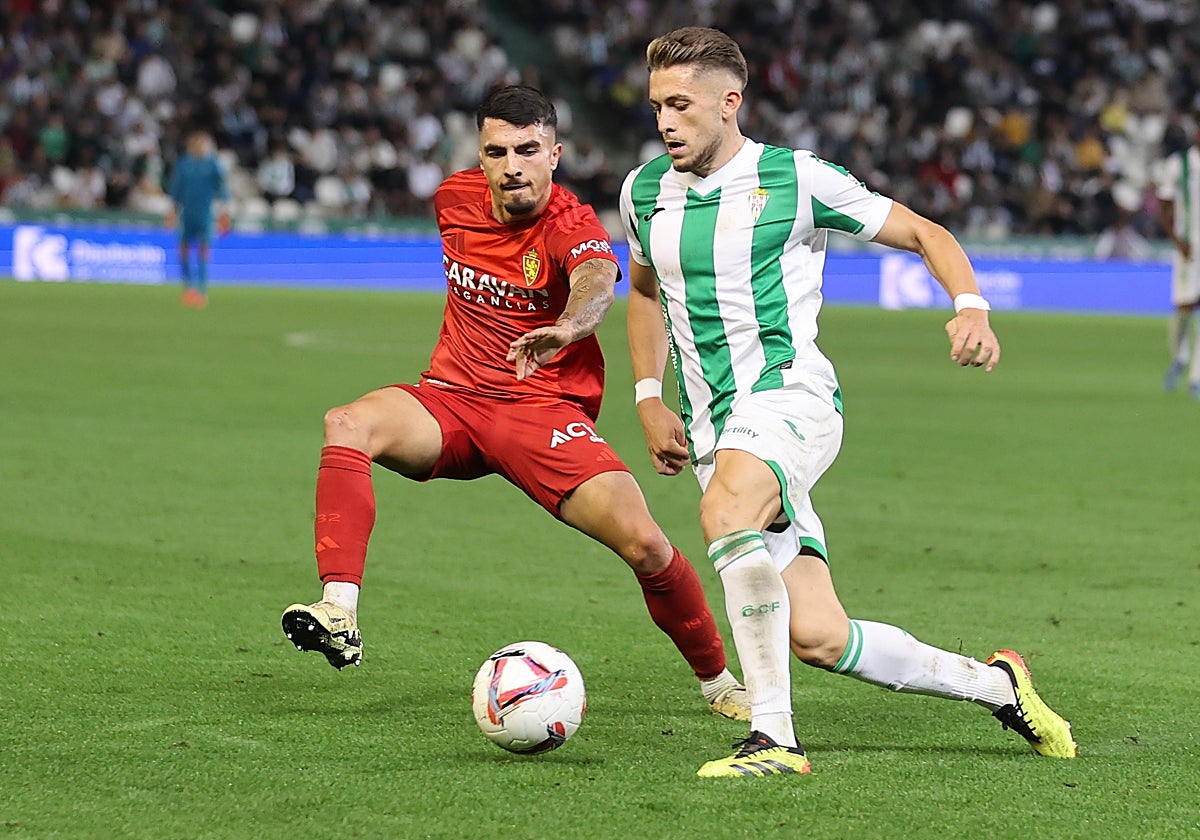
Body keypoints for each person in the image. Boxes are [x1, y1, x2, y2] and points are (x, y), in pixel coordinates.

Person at [619, 27, 1077, 778]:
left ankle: (774, 739)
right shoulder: (644, 192)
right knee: (820, 637)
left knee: (726, 514)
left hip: (791, 396)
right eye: (657, 106)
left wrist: (970, 304)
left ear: (729, 103)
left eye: (681, 105)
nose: (666, 121)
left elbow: (924, 231)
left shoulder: (796, 180)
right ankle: (998, 686)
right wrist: (646, 395)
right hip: (714, 428)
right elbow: (642, 292)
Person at [281, 85, 750, 721]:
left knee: (644, 544)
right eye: (496, 152)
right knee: (348, 423)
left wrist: (568, 327)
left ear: (554, 155)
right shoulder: (453, 198)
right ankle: (339, 610)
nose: (512, 166)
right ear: (479, 157)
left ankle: (720, 681)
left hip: (542, 412)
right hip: (451, 401)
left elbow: (595, 283)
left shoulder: (571, 225)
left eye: (528, 150)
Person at [1156, 119, 1200, 398]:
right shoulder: (1179, 165)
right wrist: (1176, 240)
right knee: (1184, 308)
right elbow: (1164, 207)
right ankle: (1180, 357)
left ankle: (1196, 378)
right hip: (1188, 249)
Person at [166, 131, 230, 308]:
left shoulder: (213, 165)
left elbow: (222, 190)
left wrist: (224, 212)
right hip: (187, 214)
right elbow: (176, 190)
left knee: (203, 249)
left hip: (206, 214)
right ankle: (188, 287)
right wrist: (172, 212)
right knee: (184, 249)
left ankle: (201, 289)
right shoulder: (184, 165)